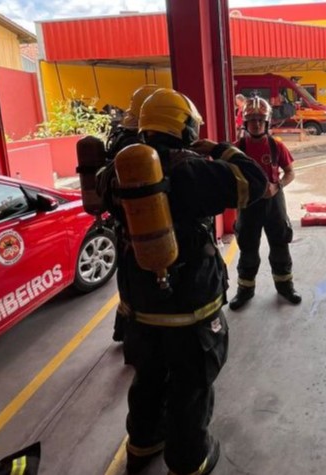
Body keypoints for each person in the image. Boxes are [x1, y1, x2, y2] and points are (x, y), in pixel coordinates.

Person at [97, 88, 268, 475]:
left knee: (148, 378)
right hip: (189, 308)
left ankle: (142, 445)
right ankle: (190, 461)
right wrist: (221, 149)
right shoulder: (190, 170)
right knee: (191, 386)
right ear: (186, 126)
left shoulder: (115, 172)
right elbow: (255, 181)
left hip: (140, 306)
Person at [228, 96, 302, 310]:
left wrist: (277, 186)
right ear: (245, 123)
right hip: (249, 205)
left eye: (261, 120)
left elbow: (290, 173)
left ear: (267, 122)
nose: (257, 124)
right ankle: (245, 290)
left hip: (274, 203)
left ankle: (285, 287)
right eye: (252, 120)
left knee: (280, 245)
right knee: (248, 247)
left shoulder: (276, 146)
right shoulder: (237, 148)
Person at [102, 84, 160, 343]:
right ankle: (141, 337)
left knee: (128, 284)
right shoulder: (145, 147)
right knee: (147, 285)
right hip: (146, 224)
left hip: (124, 227)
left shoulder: (119, 141)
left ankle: (124, 330)